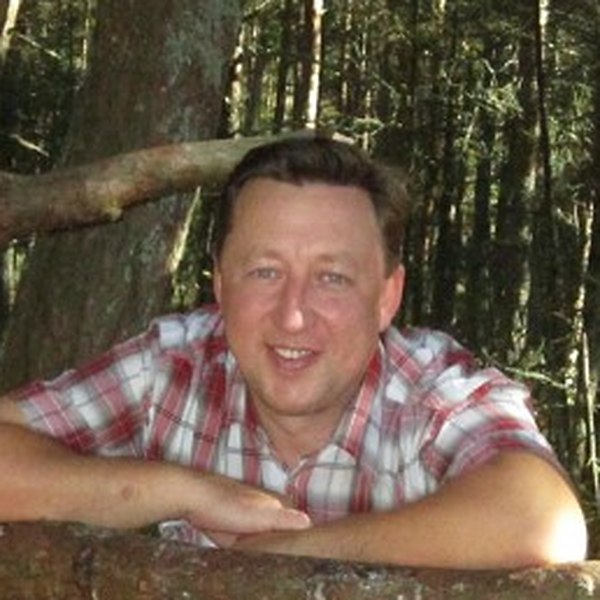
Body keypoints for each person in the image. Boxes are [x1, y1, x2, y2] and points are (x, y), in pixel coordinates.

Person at [0, 137, 587, 568]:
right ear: (220, 285)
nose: (293, 315)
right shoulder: (175, 367)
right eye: (265, 271)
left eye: (332, 278)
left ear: (387, 297)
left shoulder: (431, 394)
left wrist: (287, 552)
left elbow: (544, 521)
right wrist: (187, 491)